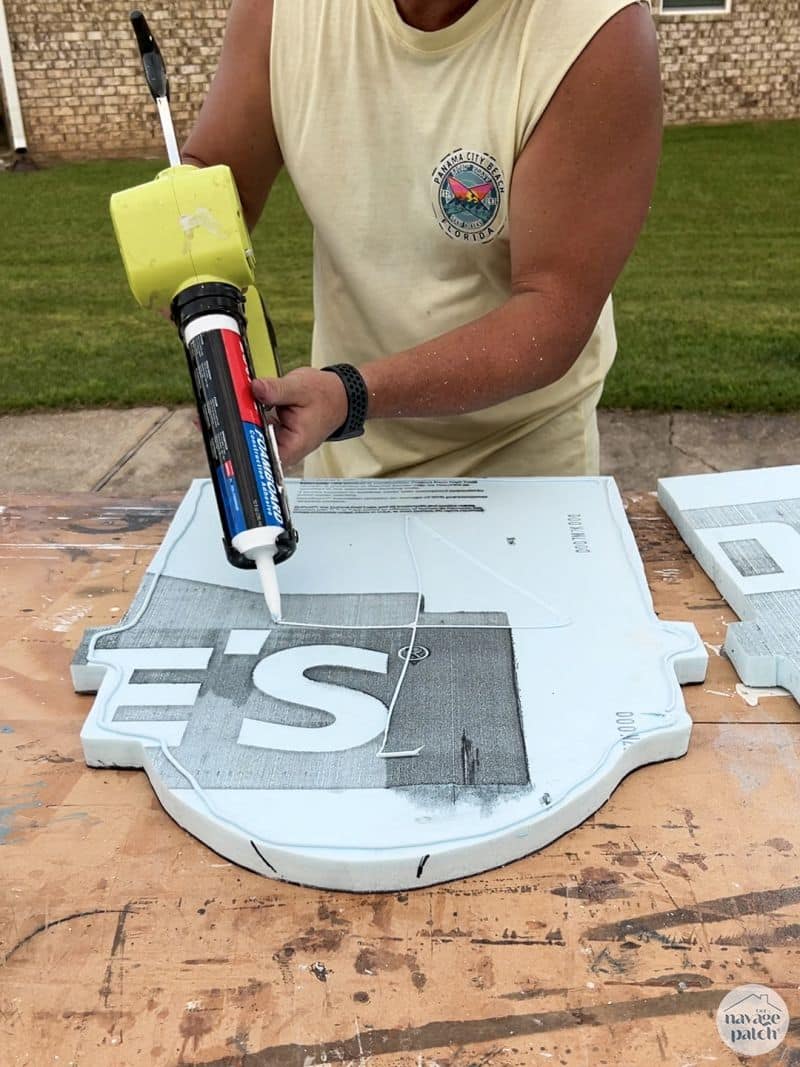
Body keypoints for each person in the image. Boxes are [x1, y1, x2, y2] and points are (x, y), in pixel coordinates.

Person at [183, 0, 662, 478]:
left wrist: (349, 394)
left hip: (518, 470)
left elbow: (551, 313)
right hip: (343, 454)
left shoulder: (597, 29)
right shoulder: (278, 11)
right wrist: (179, 247)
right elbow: (220, 180)